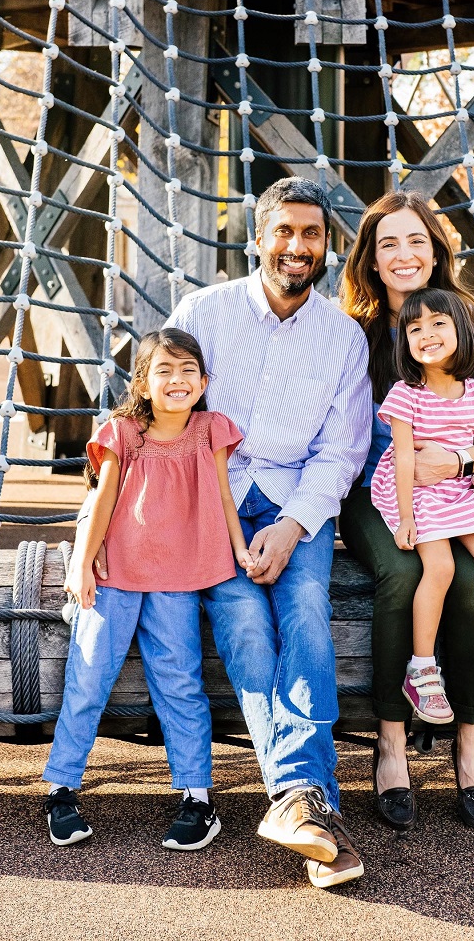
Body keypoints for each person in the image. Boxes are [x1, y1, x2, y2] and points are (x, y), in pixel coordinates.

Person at [167, 176, 372, 890]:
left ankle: (295, 802)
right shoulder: (205, 311)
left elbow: (342, 450)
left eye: (310, 234)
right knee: (245, 624)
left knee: (306, 614)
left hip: (297, 501)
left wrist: (291, 526)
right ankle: (304, 801)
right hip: (209, 499)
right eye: (283, 231)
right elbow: (173, 416)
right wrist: (222, 519)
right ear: (258, 238)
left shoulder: (343, 337)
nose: (296, 246)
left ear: (325, 245)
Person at [339, 190, 474, 831]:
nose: (404, 254)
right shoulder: (353, 331)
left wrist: (456, 463)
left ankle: (470, 741)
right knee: (403, 574)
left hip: (458, 486)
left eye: (416, 239)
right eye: (387, 242)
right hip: (378, 490)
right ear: (369, 257)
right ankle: (391, 740)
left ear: (437, 248)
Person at [42, 328, 249, 850]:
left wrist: (240, 549)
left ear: (204, 381)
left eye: (187, 371)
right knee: (89, 676)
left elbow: (224, 497)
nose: (176, 380)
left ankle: (197, 798)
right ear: (143, 381)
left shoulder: (211, 430)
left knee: (180, 684)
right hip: (116, 577)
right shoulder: (123, 432)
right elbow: (105, 498)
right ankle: (61, 788)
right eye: (164, 370)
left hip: (179, 578)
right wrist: (81, 563)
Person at [371, 286, 474, 729]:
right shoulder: (405, 395)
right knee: (438, 568)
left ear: (461, 330)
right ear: (405, 342)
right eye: (415, 328)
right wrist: (404, 517)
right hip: (417, 490)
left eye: (438, 323)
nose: (427, 334)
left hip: (459, 486)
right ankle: (421, 668)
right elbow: (403, 458)